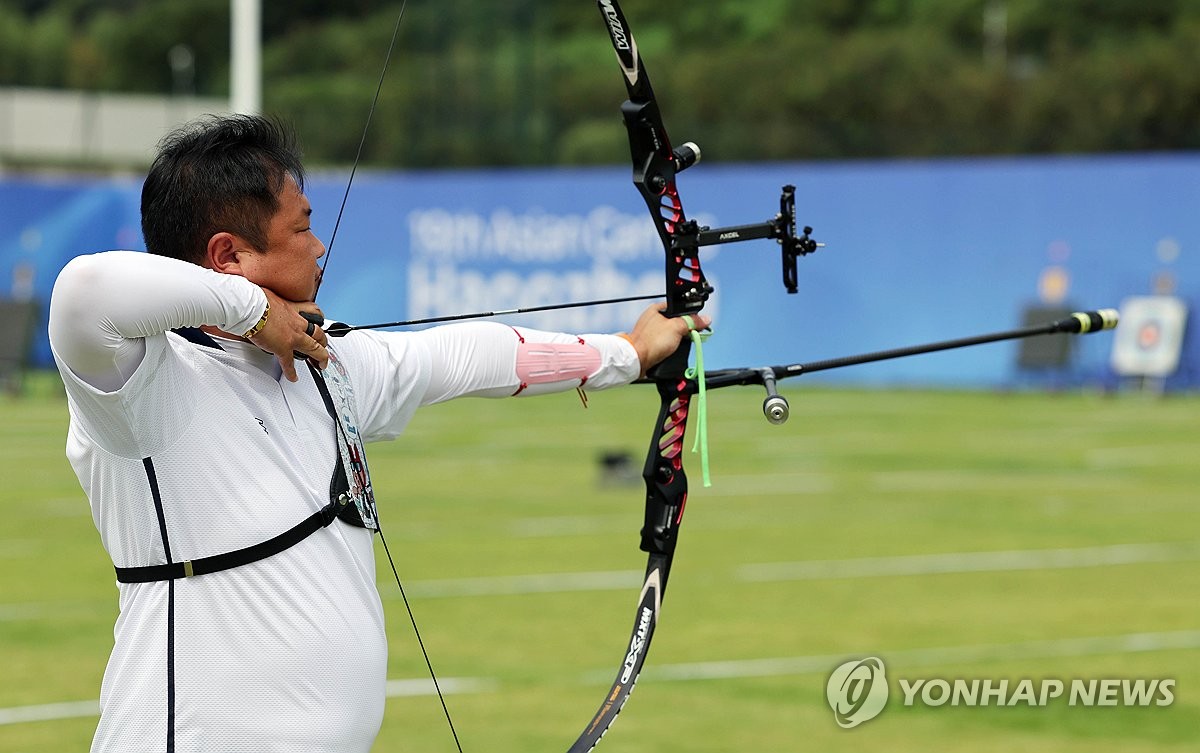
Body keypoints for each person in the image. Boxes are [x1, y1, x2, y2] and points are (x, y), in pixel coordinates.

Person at [47, 114, 705, 753]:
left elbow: (469, 355)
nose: (319, 246)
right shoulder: (147, 383)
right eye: (301, 229)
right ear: (230, 255)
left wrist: (627, 351)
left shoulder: (329, 365)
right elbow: (83, 292)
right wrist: (254, 311)